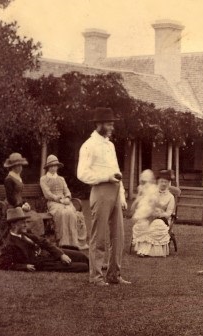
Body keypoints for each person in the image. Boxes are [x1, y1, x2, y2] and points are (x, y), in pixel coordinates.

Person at [77, 107, 130, 286]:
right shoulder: (89, 145)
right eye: (109, 124)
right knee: (99, 236)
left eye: (112, 124)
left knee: (118, 236)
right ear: (98, 124)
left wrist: (121, 195)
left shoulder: (110, 145)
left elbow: (116, 171)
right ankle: (96, 276)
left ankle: (114, 274)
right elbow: (82, 173)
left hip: (115, 190)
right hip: (100, 191)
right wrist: (104, 178)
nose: (112, 127)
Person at [0, 207, 89, 272]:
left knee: (80, 255)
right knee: (82, 267)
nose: (25, 225)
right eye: (22, 223)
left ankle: (96, 266)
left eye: (25, 222)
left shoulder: (26, 233)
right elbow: (3, 265)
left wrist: (60, 254)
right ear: (14, 225)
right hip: (43, 263)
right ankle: (92, 268)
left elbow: (44, 242)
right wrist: (24, 266)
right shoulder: (9, 244)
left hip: (49, 253)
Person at [40, 155, 87, 249]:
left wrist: (67, 198)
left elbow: (67, 190)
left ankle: (73, 242)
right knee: (63, 213)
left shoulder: (61, 179)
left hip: (65, 201)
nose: (54, 168)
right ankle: (63, 242)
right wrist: (59, 199)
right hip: (53, 203)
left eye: (55, 166)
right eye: (51, 166)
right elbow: (47, 194)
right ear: (48, 167)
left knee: (72, 213)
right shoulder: (44, 179)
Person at [131, 169, 174, 257]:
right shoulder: (152, 192)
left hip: (162, 219)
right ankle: (143, 249)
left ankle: (147, 251)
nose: (163, 184)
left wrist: (160, 214)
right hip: (148, 216)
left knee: (156, 225)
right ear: (158, 181)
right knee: (142, 224)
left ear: (168, 183)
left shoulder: (170, 197)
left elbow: (169, 213)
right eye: (162, 181)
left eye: (166, 182)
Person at [3, 152, 45, 236]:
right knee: (33, 219)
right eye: (17, 166)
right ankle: (26, 238)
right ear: (12, 167)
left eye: (20, 165)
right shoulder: (9, 179)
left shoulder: (17, 177)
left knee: (37, 217)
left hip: (18, 205)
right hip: (11, 207)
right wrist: (21, 205)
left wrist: (24, 203)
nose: (20, 167)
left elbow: (19, 195)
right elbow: (10, 198)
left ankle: (35, 240)